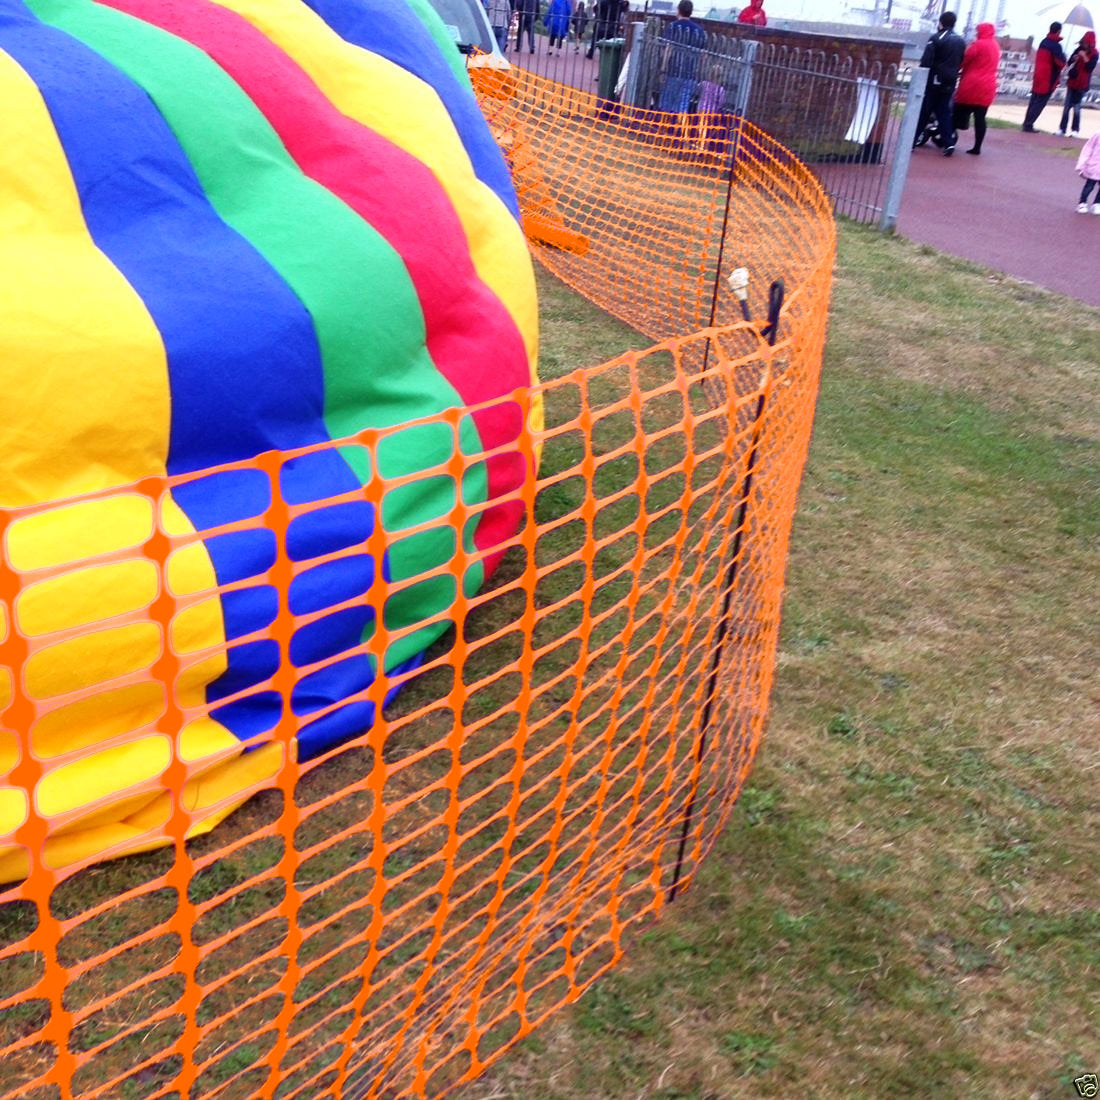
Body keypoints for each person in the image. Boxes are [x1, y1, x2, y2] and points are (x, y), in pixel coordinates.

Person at [913, 10, 966, 156]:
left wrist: (922, 76)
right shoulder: (961, 41)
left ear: (940, 23)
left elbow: (927, 60)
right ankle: (948, 143)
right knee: (944, 113)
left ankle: (911, 141)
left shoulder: (936, 38)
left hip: (935, 80)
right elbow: (961, 60)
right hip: (950, 81)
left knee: (925, 111)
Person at [953, 21, 1000, 155]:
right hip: (988, 86)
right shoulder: (996, 46)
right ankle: (977, 147)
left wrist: (957, 69)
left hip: (971, 84)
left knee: (956, 112)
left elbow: (965, 60)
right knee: (980, 118)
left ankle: (948, 139)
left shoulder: (977, 45)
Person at [658, 0, 707, 113]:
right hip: (690, 74)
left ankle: (664, 126)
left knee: (667, 102)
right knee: (682, 105)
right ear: (691, 12)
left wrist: (663, 69)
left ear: (678, 10)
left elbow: (668, 49)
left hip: (673, 71)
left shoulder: (673, 27)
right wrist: (699, 75)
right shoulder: (699, 31)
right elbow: (703, 56)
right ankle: (677, 128)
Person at [1022, 22, 1066, 131]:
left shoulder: (1043, 42)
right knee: (1040, 103)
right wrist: (1064, 57)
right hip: (1048, 78)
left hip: (1038, 75)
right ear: (1059, 31)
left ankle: (1026, 123)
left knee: (1033, 101)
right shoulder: (1056, 46)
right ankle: (1029, 124)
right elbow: (1060, 63)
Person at [1059, 32, 1098, 136]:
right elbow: (1070, 61)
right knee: (1066, 106)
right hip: (1072, 80)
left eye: (1086, 43)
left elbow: (1089, 68)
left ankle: (1075, 130)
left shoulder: (1095, 54)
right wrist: (1073, 59)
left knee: (1077, 107)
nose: (1083, 45)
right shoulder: (1079, 49)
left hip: (1082, 83)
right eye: (1083, 43)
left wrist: (1084, 57)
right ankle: (1062, 129)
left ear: (1090, 43)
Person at [1075, 130, 1100, 212]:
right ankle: (1082, 203)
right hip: (1094, 166)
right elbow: (1088, 149)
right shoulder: (1097, 135)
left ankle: (1097, 203)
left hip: (1094, 166)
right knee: (1089, 186)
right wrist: (1082, 163)